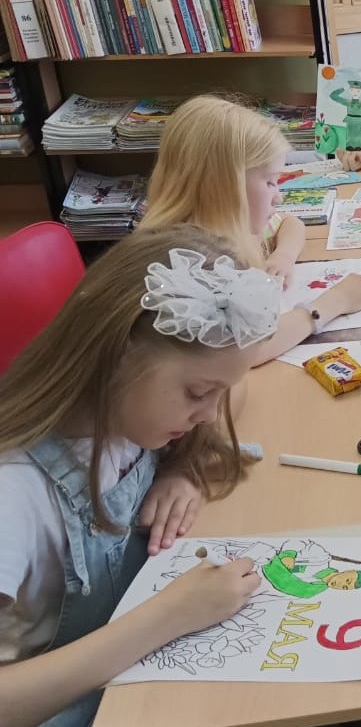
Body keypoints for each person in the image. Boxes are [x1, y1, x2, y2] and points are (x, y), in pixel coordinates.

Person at [0, 225, 274, 727]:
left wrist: (182, 469)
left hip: (136, 677)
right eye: (197, 393)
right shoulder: (12, 491)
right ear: (117, 356)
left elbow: (232, 392)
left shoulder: (128, 417)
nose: (210, 416)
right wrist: (167, 618)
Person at [141, 95, 361, 366]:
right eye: (270, 183)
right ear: (225, 187)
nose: (278, 197)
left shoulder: (230, 226)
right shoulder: (188, 262)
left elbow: (290, 223)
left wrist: (284, 255)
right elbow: (246, 350)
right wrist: (334, 303)